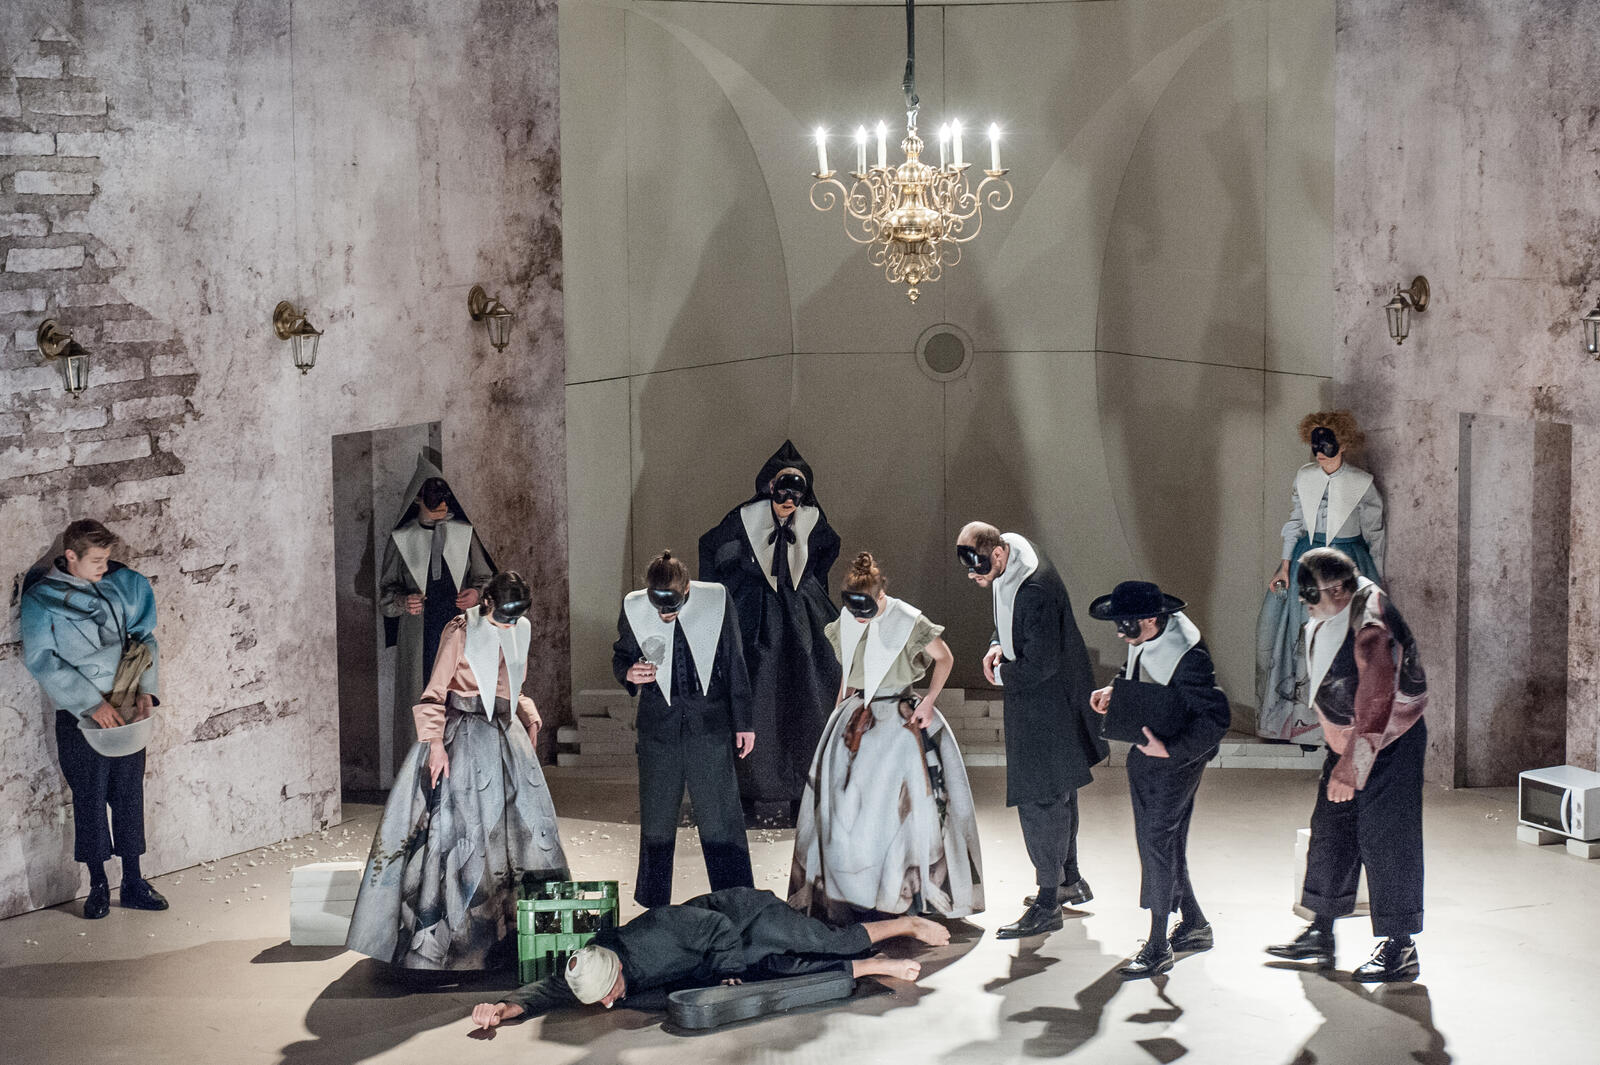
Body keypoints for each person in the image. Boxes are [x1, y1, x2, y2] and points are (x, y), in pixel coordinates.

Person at [347, 571, 569, 970]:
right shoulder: (461, 630)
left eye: (517, 616)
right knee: (463, 835)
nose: (510, 624)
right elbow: (435, 692)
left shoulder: (520, 628)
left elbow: (513, 683)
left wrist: (528, 714)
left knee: (526, 833)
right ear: (487, 604)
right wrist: (435, 745)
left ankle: (523, 940)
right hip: (464, 735)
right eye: (504, 616)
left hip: (507, 737)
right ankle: (462, 948)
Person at [790, 552, 984, 921]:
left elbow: (945, 658)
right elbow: (849, 670)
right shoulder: (849, 618)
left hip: (899, 721)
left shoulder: (906, 619)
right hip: (857, 717)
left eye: (866, 608)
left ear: (881, 596)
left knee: (899, 813)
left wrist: (930, 701)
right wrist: (840, 709)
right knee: (846, 811)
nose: (859, 616)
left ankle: (902, 899)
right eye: (853, 608)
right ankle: (852, 897)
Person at [1265, 547, 1428, 982]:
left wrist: (1350, 768)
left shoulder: (1371, 625)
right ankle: (1321, 929)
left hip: (1389, 742)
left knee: (1386, 840)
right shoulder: (1337, 605)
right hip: (1353, 741)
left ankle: (1400, 947)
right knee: (1331, 830)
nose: (1304, 602)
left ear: (1339, 590)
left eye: (1311, 594)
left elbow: (1377, 703)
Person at [467, 886, 948, 1027]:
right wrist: (505, 1008)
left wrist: (730, 972)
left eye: (610, 993)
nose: (610, 1003)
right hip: (719, 958)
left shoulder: (655, 933)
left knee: (827, 942)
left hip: (747, 918)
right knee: (785, 974)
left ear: (618, 968)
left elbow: (719, 928)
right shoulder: (595, 971)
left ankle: (905, 923)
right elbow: (548, 989)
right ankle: (875, 965)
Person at [954, 521, 1107, 939]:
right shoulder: (1015, 557)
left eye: (978, 567)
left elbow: (1041, 663)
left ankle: (1047, 902)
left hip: (1046, 702)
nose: (974, 577)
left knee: (1040, 798)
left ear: (997, 553)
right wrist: (996, 644)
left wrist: (1001, 673)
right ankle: (1069, 880)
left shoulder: (1035, 587)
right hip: (1050, 697)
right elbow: (1010, 618)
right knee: (1059, 791)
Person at [20, 519, 168, 920]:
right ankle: (98, 884)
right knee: (89, 797)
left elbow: (144, 638)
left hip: (125, 707)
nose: (105, 566)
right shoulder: (41, 599)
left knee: (129, 793)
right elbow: (42, 660)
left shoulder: (122, 586)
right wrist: (89, 703)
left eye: (107, 559)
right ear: (71, 556)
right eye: (97, 560)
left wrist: (145, 689)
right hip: (79, 715)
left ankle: (134, 880)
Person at [1087, 581, 1231, 978]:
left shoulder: (1188, 656)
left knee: (1157, 844)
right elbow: (1137, 669)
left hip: (1175, 763)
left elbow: (1216, 718)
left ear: (1151, 618)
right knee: (1166, 844)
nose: (1120, 634)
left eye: (1126, 625)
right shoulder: (1148, 634)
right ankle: (1195, 925)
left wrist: (1171, 751)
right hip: (1149, 757)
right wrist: (1113, 690)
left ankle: (1157, 946)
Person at [699, 441, 842, 819]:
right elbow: (711, 547)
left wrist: (810, 582)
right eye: (782, 495)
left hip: (802, 614)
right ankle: (749, 790)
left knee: (810, 692)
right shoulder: (745, 517)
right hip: (756, 614)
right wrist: (730, 584)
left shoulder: (812, 519)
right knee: (754, 692)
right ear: (770, 487)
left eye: (796, 496)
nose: (788, 504)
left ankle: (803, 789)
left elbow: (827, 547)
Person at [613, 550, 756, 908]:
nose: (664, 614)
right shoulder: (634, 607)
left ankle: (736, 901)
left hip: (709, 721)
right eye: (658, 606)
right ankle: (653, 906)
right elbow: (621, 655)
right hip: (658, 725)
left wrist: (745, 723)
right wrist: (629, 673)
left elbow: (735, 661)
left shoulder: (716, 601)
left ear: (687, 589)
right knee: (657, 818)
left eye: (672, 605)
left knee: (720, 815)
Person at [1257, 411, 1385, 742]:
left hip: (1346, 562)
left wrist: (1378, 581)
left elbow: (1375, 535)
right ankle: (1300, 725)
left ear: (1342, 443)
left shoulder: (1362, 482)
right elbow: (1296, 521)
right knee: (1301, 636)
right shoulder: (1305, 476)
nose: (1319, 451)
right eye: (1315, 443)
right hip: (1306, 560)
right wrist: (1284, 563)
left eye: (1326, 443)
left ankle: (1337, 726)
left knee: (1340, 640)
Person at [379, 468, 496, 731]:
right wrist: (403, 601)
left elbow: (487, 579)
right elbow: (385, 595)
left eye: (445, 496)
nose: (442, 503)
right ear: (418, 498)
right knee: (422, 697)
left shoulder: (464, 533)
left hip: (461, 630)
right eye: (434, 496)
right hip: (421, 635)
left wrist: (476, 594)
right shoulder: (402, 538)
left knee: (462, 697)